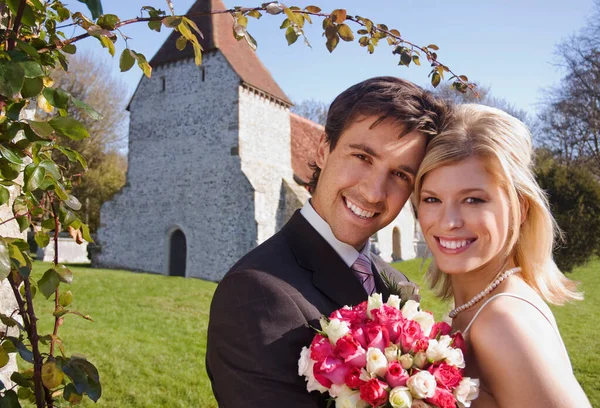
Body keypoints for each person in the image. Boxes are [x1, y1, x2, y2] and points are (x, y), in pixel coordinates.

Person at [206, 77, 450, 407]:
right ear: (323, 149)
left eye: (400, 175)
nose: (374, 192)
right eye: (363, 157)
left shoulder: (397, 284)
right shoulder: (255, 295)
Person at [415, 104, 591, 407]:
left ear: (520, 208)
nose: (448, 222)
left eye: (473, 199)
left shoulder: (503, 322)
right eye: (432, 199)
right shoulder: (478, 309)